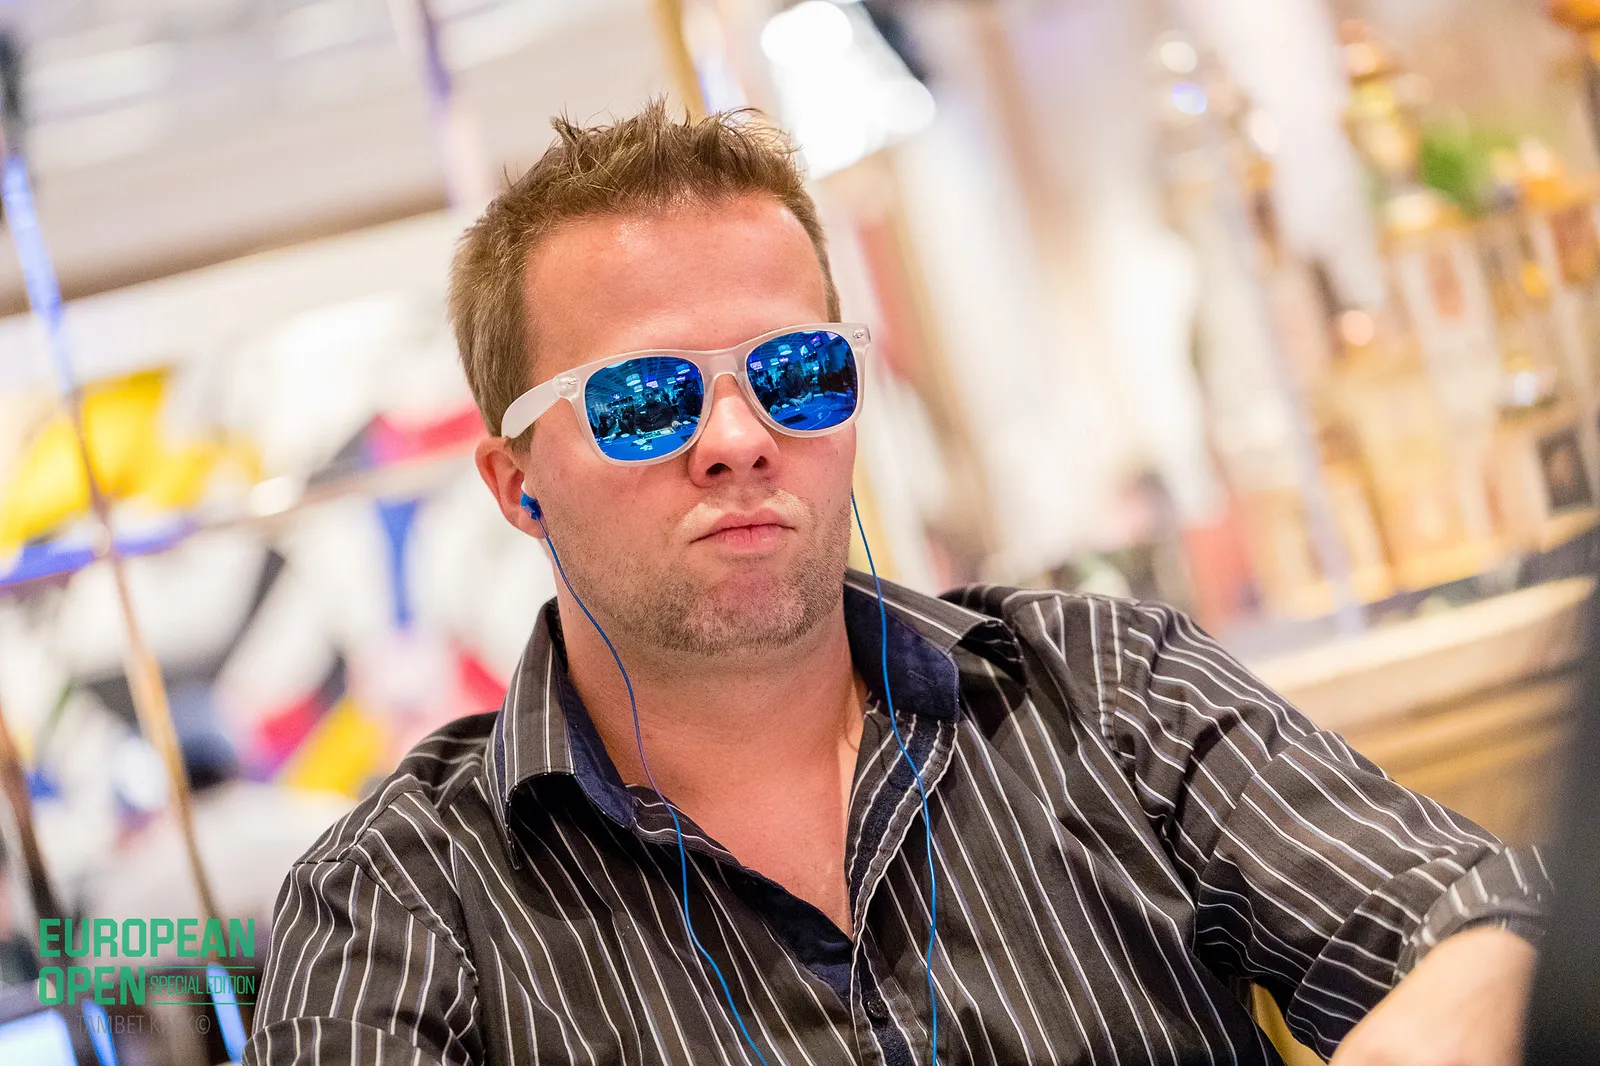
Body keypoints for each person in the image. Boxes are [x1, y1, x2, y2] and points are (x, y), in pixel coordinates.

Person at [243, 102, 1548, 1066]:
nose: (741, 438)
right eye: (644, 400)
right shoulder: (394, 907)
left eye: (797, 371)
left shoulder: (1103, 689)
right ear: (516, 482)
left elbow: (1479, 918)